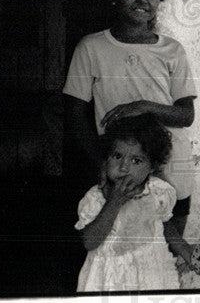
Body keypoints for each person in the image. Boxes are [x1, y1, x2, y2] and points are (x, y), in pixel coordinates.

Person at [64, 0, 200, 273]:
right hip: (122, 165)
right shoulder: (92, 48)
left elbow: (185, 115)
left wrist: (142, 106)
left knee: (166, 252)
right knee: (114, 254)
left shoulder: (172, 51)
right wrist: (100, 161)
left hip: (171, 167)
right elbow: (73, 113)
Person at [75, 114, 190, 291]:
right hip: (109, 279)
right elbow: (89, 242)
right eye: (117, 156)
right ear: (106, 161)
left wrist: (183, 248)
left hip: (150, 274)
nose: (124, 167)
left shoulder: (157, 191)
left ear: (152, 166)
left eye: (136, 160)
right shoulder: (96, 198)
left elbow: (163, 224)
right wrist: (114, 202)